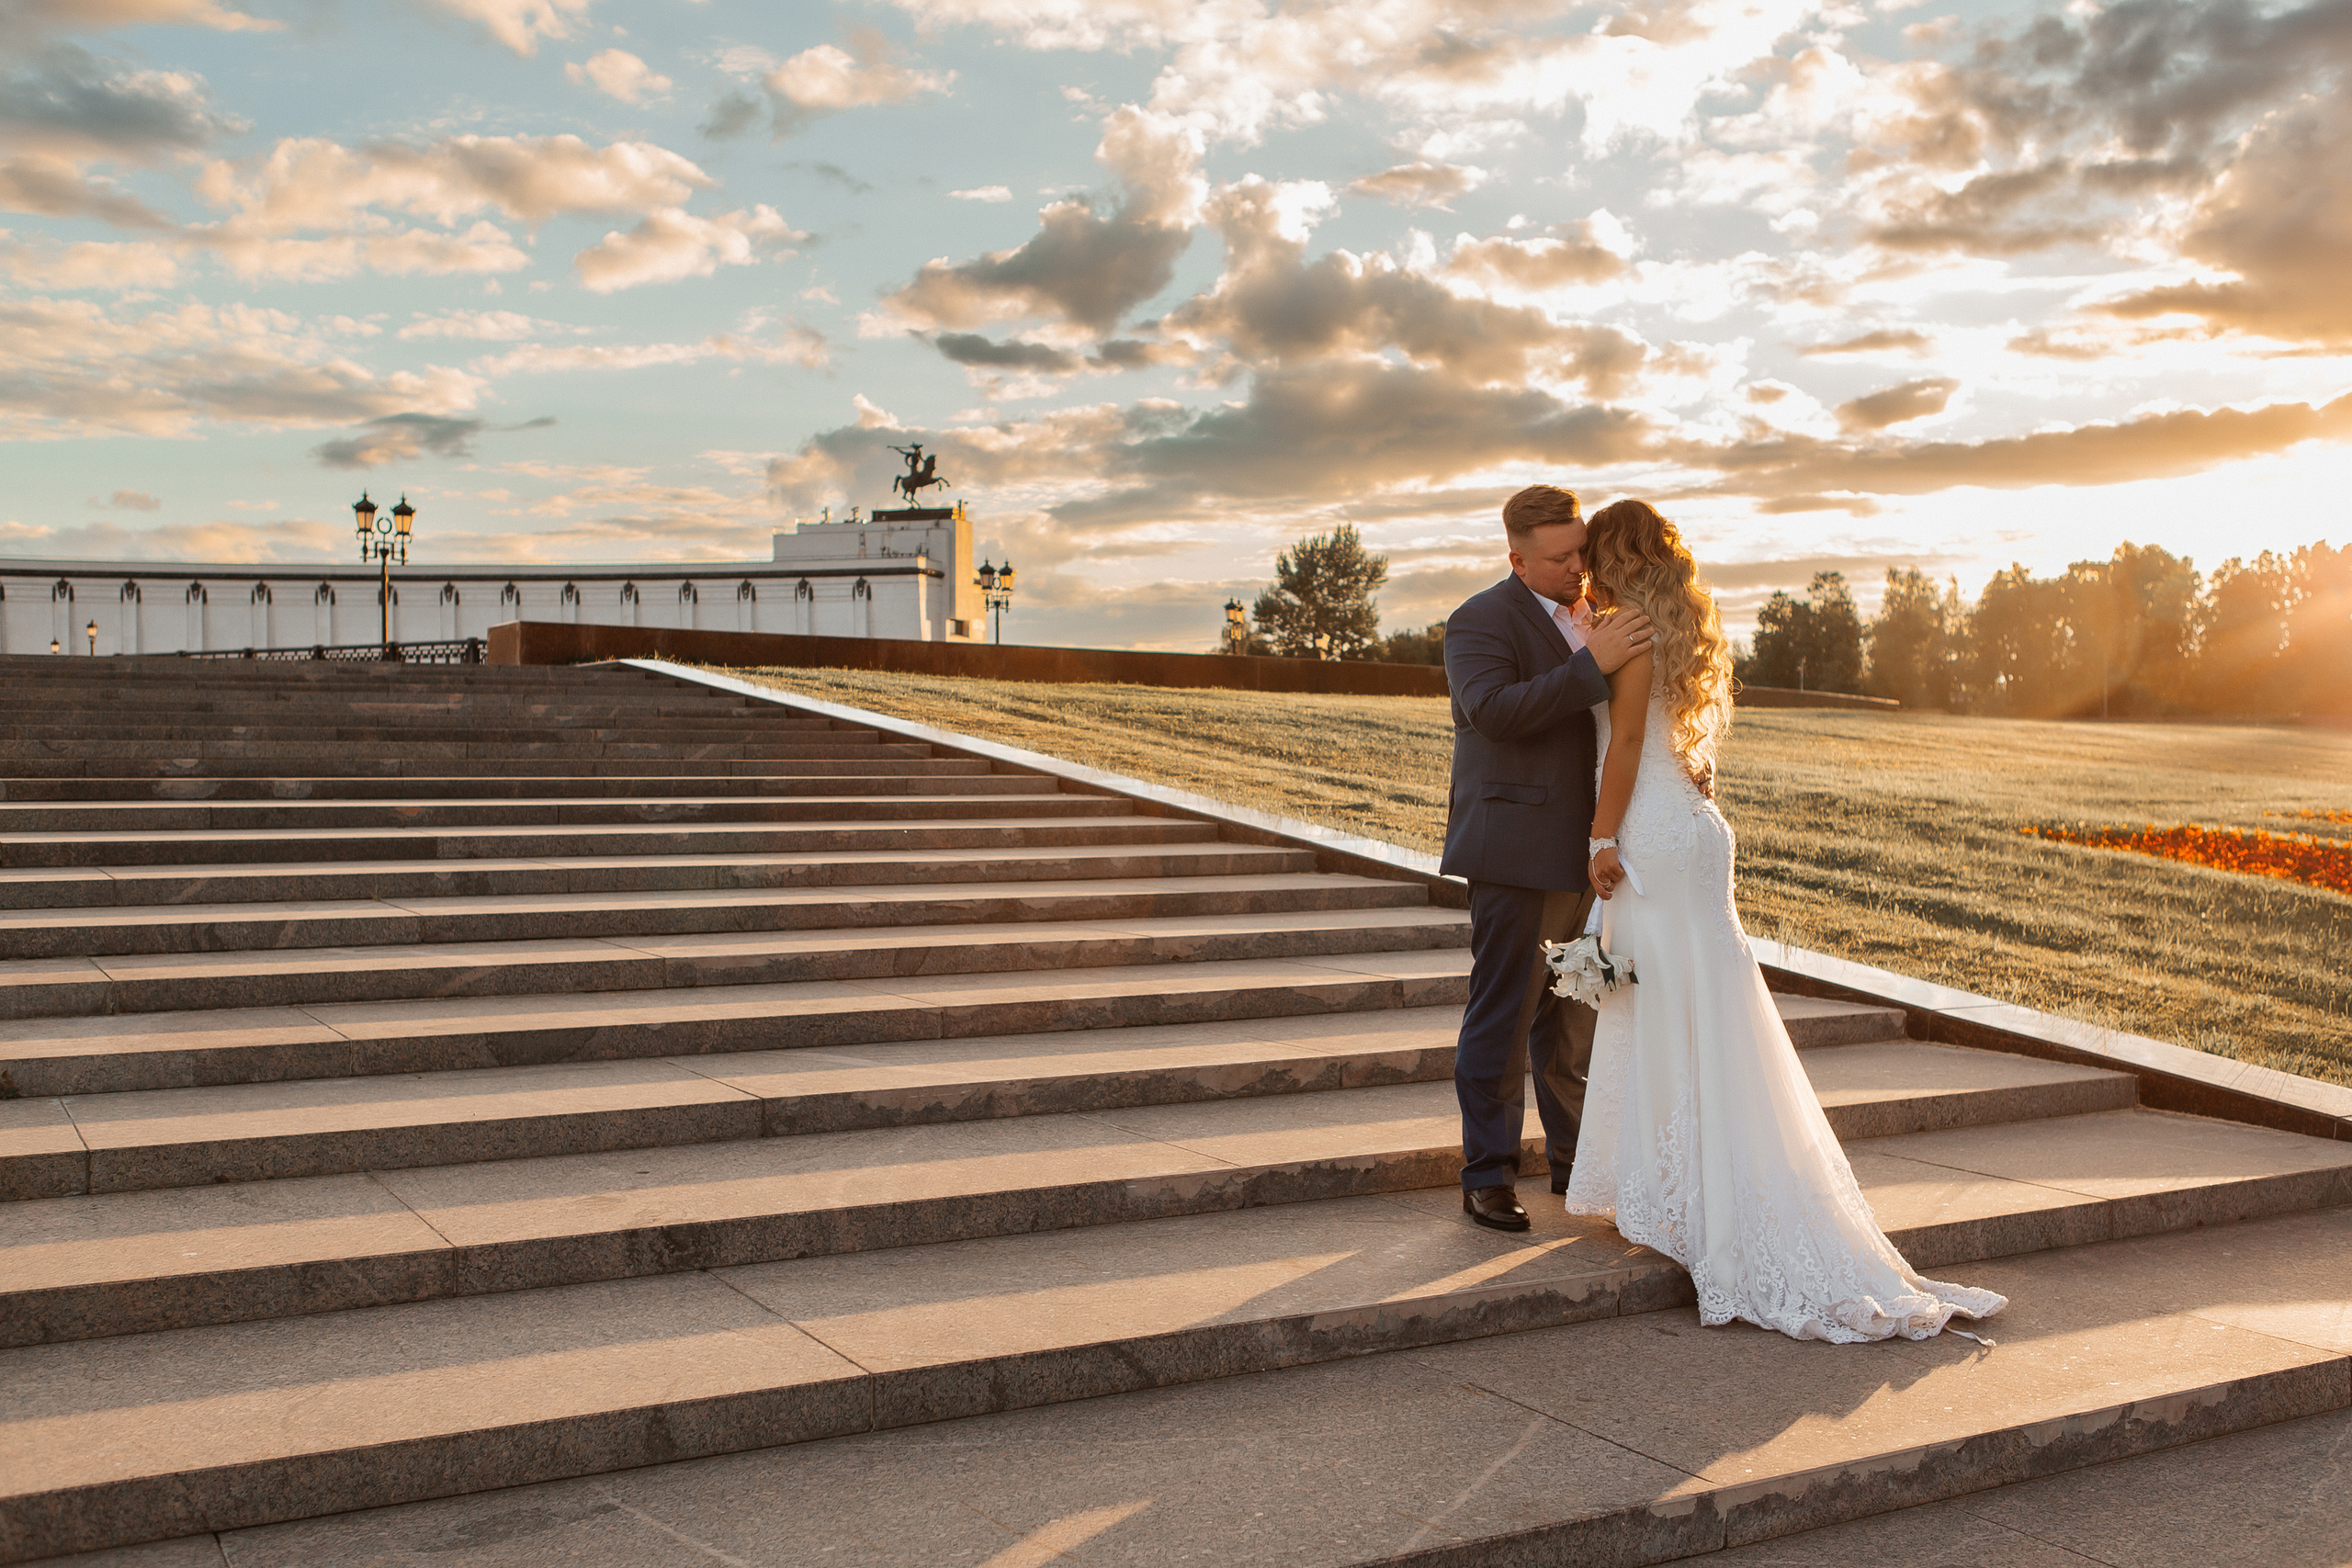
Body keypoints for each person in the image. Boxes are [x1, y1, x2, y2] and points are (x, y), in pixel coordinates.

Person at [1564, 497, 2007, 1342]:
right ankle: (1699, 1186)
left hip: (1651, 833)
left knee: (1661, 1010)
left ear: (1615, 556)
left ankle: (1684, 1202)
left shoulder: (1626, 638)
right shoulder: (1685, 622)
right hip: (1699, 828)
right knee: (1711, 1007)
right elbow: (1690, 746)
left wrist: (1600, 836)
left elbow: (1623, 745)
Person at [1441, 484, 1655, 1233]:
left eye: (1580, 551)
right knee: (1502, 1019)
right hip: (1516, 853)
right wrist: (1588, 664)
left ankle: (1574, 1160)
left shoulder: (1594, 614)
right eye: (1559, 558)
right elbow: (1493, 711)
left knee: (1571, 1023)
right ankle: (1488, 1175)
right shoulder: (1478, 620)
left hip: (1592, 858)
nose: (1576, 567)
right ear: (1517, 559)